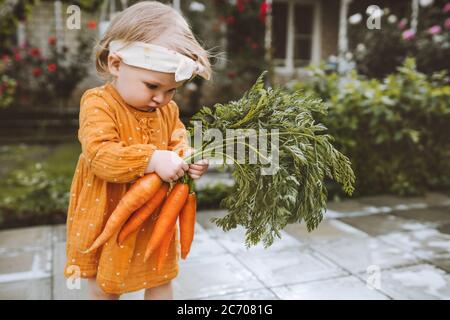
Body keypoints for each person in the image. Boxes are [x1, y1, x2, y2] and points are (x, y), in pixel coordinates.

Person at [64, 1, 212, 300]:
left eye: (172, 90)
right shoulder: (98, 103)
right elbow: (100, 155)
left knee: (161, 278)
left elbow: (177, 138)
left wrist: (188, 158)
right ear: (116, 64)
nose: (162, 98)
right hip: (108, 213)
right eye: (152, 86)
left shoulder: (167, 110)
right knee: (104, 287)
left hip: (154, 215)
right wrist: (152, 159)